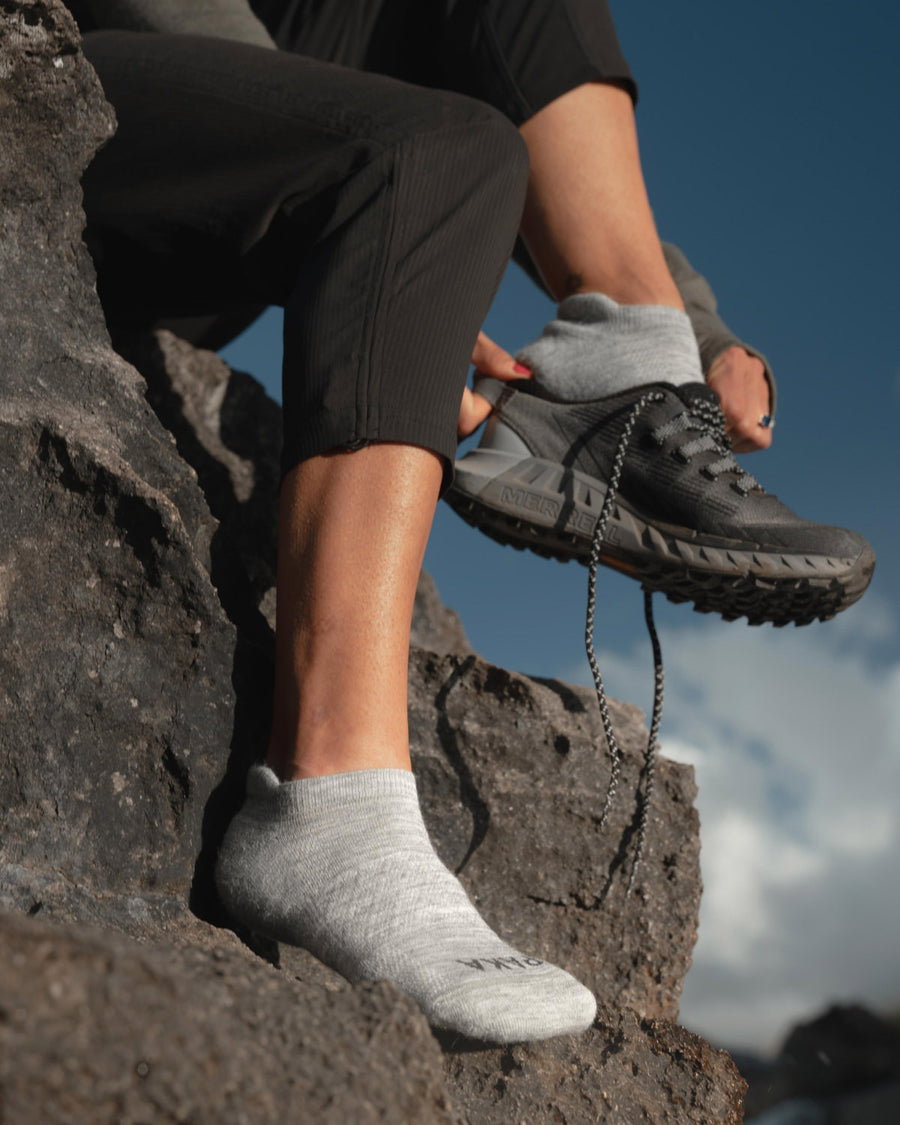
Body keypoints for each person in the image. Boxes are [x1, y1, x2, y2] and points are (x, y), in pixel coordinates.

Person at [71, 0, 873, 1044]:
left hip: (203, 153)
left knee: (449, 140)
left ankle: (626, 355)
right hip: (63, 94)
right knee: (431, 157)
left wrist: (690, 321)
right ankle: (330, 803)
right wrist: (412, 238)